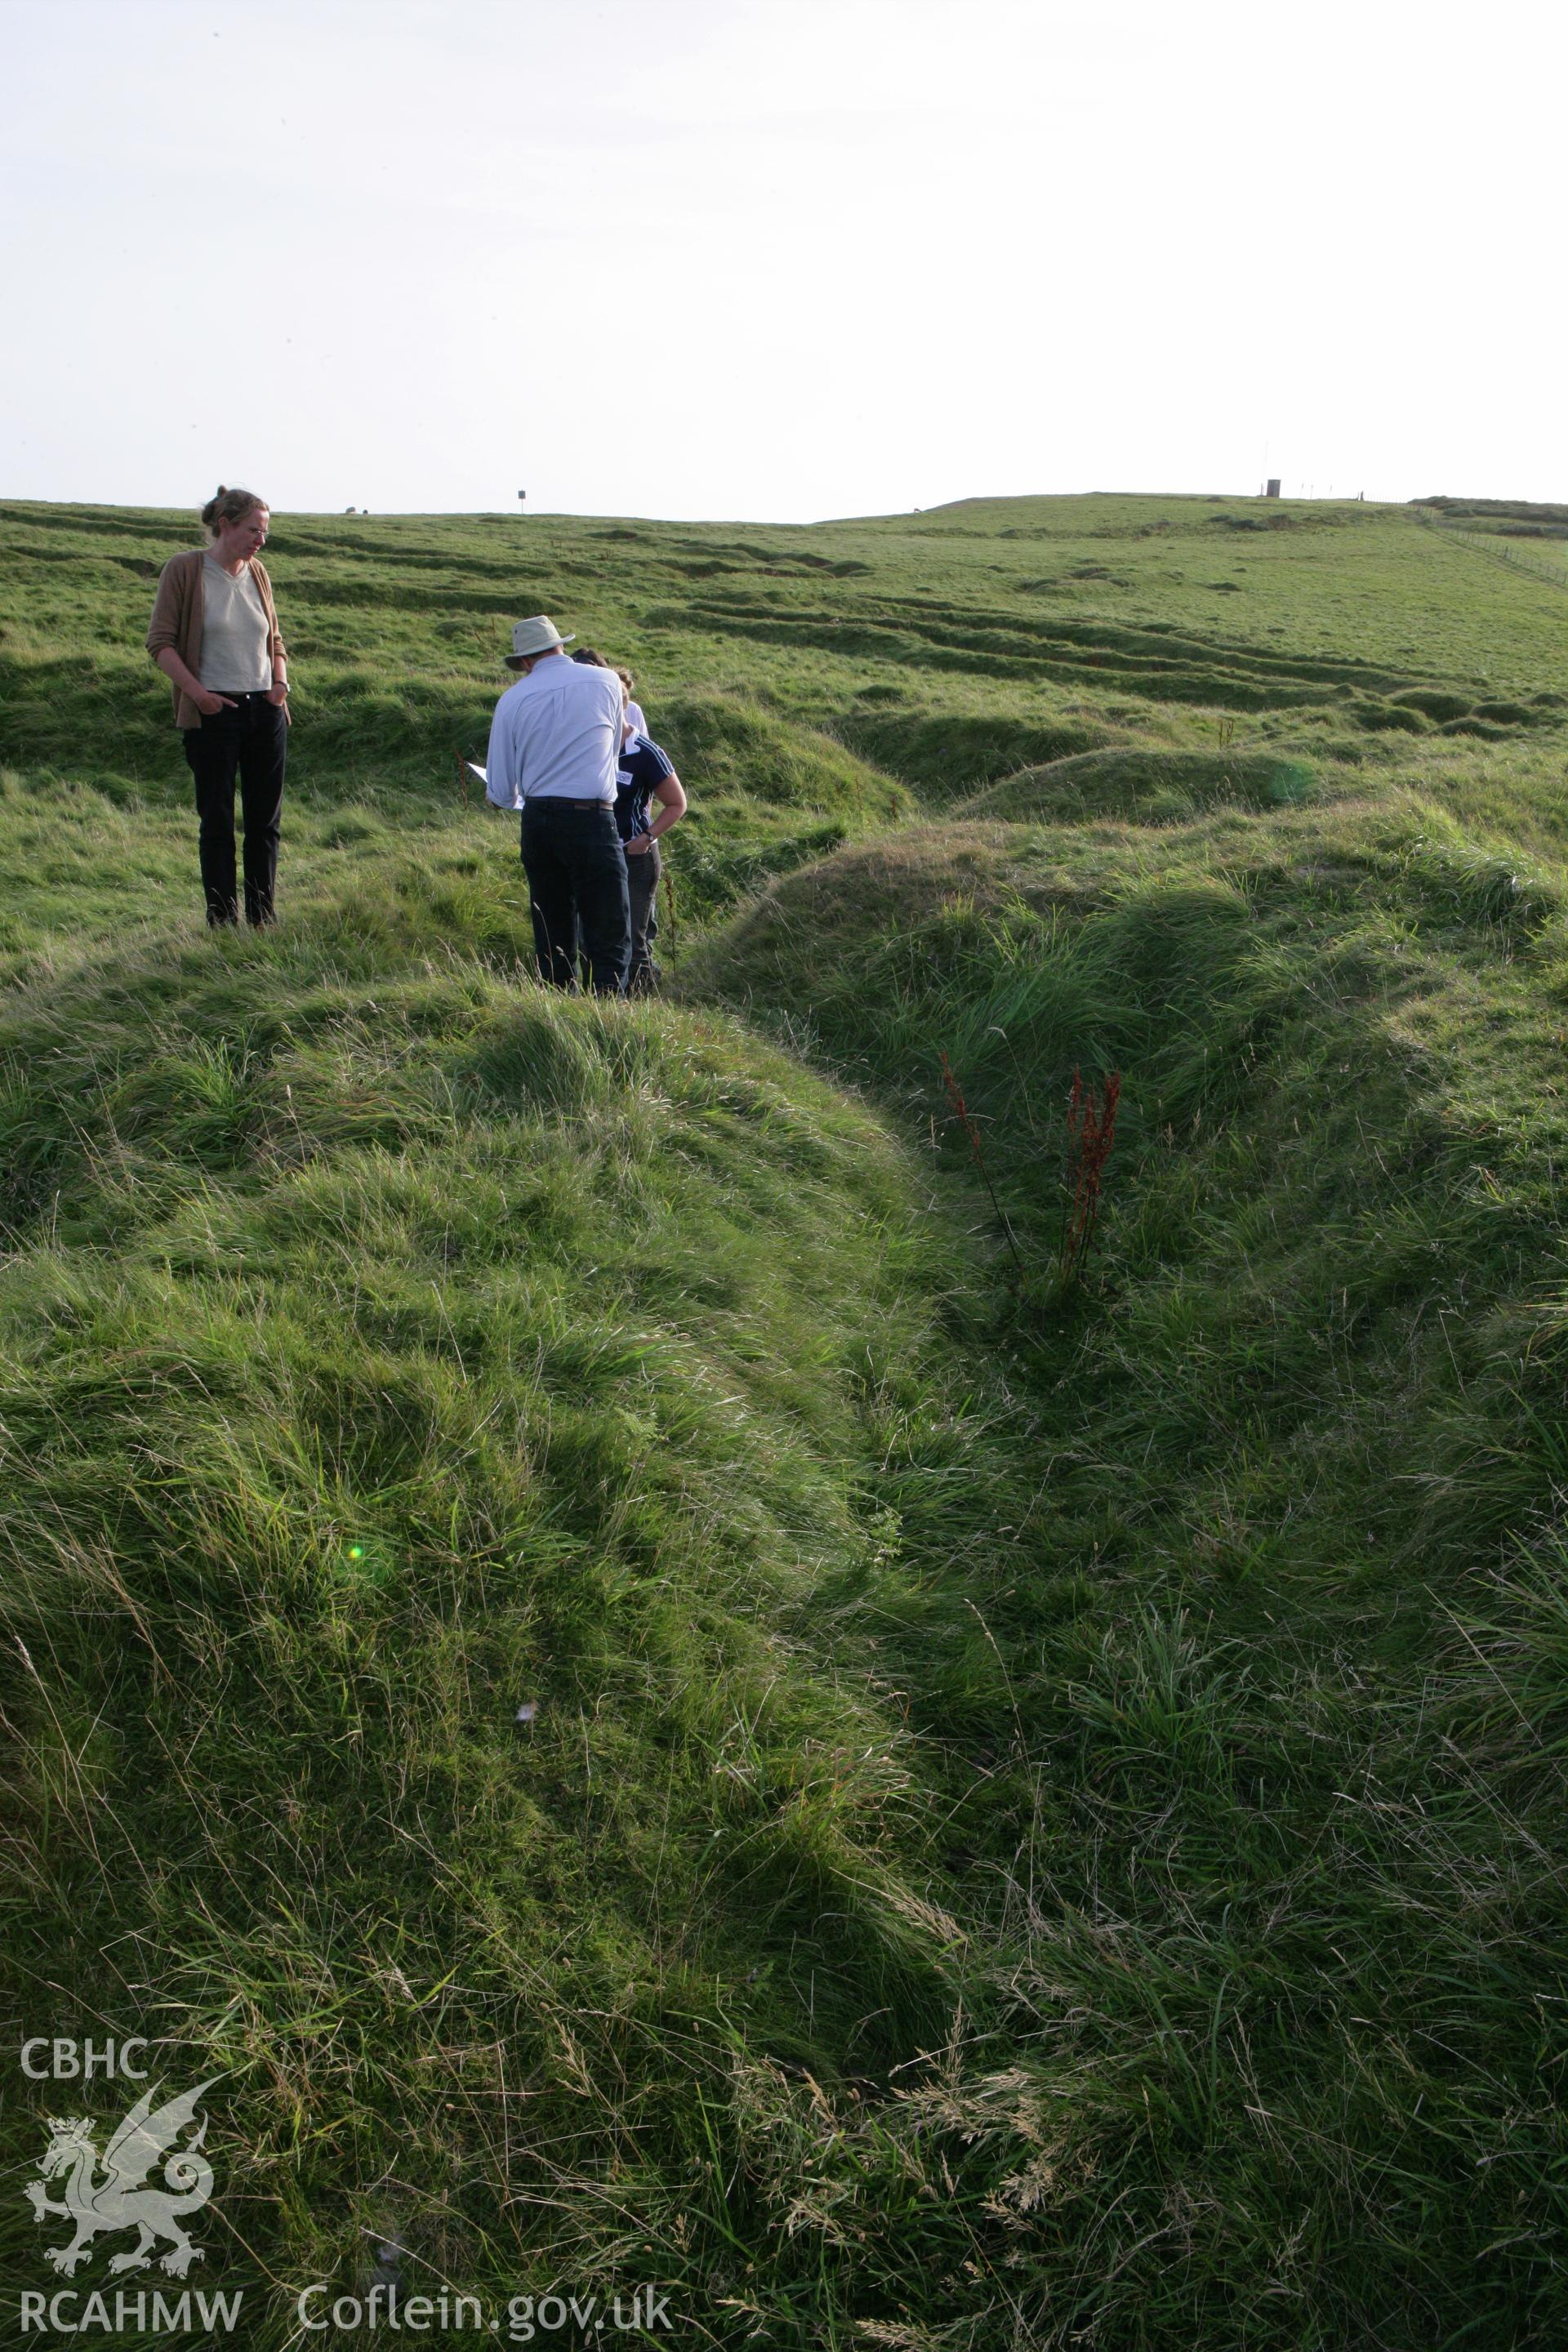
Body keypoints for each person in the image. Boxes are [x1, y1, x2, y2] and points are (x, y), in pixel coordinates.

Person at [145, 487, 289, 926]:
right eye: (253, 530)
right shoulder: (185, 570)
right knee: (218, 823)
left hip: (265, 710)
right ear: (224, 525)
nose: (260, 540)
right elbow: (160, 643)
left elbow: (275, 640)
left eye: (264, 532)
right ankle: (223, 924)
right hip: (213, 713)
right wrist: (199, 695)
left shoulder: (258, 572)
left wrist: (281, 683)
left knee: (265, 824)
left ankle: (262, 921)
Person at [484, 617, 630, 994]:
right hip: (593, 816)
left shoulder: (512, 700)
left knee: (552, 932)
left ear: (526, 661)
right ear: (559, 646)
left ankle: (559, 1014)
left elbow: (500, 792)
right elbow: (614, 750)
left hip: (540, 820)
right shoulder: (608, 682)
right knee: (608, 928)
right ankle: (609, 1015)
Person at [571, 651, 686, 991]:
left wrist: (646, 838)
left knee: (634, 941)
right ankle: (599, 1005)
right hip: (594, 854)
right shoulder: (586, 747)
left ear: (618, 705)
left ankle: (645, 1006)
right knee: (593, 938)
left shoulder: (645, 751)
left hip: (634, 856)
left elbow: (677, 804)